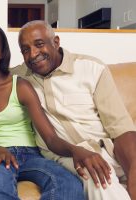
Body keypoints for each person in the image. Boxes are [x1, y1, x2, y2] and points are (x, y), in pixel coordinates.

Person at [0, 22, 113, 200]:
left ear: (2, 52)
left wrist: (75, 150)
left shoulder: (19, 85)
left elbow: (50, 138)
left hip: (30, 155)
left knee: (69, 184)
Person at [12, 20, 136, 200]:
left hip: (107, 150)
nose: (33, 54)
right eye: (25, 49)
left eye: (39, 44)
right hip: (65, 155)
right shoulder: (19, 77)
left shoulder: (91, 69)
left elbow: (121, 128)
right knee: (96, 176)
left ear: (56, 42)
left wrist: (132, 174)